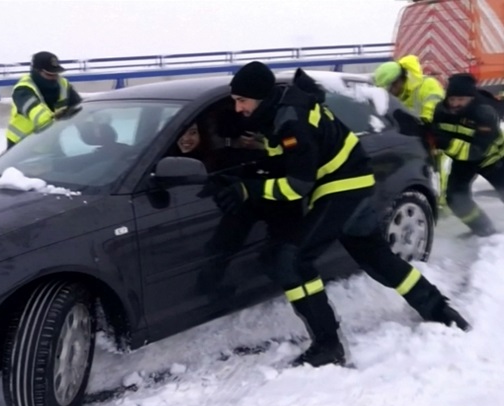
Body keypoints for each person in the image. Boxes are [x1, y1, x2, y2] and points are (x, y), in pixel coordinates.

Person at [208, 61, 471, 368]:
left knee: (291, 260)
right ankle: (440, 310)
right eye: (236, 101)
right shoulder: (283, 110)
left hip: (341, 188)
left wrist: (247, 190)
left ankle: (327, 345)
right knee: (377, 259)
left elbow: (297, 184)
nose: (238, 108)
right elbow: (293, 159)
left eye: (242, 101)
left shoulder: (290, 121)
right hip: (354, 184)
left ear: (260, 97)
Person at [431, 73, 504, 237]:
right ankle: (484, 230)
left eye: (461, 100)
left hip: (494, 159)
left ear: (471, 98)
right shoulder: (440, 110)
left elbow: (476, 152)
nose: (456, 104)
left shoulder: (484, 112)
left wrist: (446, 143)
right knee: (455, 198)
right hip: (462, 161)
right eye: (452, 99)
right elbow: (435, 132)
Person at [373, 55, 448, 207]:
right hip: (416, 138)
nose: (390, 92)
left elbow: (433, 115)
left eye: (390, 88)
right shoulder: (399, 93)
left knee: (439, 173)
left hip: (436, 137)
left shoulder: (428, 86)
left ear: (399, 80)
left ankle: (441, 206)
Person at [5, 51, 82, 149]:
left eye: (56, 73)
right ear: (36, 72)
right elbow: (41, 118)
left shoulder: (63, 85)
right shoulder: (23, 90)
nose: (55, 78)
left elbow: (81, 109)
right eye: (49, 74)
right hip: (21, 147)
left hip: (49, 142)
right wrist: (60, 116)